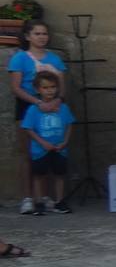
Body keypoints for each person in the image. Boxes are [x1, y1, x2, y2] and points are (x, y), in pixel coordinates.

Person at [9, 18, 67, 216]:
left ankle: (48, 197)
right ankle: (28, 197)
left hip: (53, 107)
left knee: (51, 152)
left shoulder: (54, 60)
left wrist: (57, 100)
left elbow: (61, 84)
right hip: (29, 105)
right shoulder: (20, 58)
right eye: (37, 33)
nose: (42, 37)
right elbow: (16, 87)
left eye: (44, 33)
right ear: (27, 36)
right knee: (28, 153)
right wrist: (38, 103)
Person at [20, 73, 75, 215]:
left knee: (59, 175)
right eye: (45, 88)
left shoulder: (63, 108)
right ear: (38, 89)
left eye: (53, 87)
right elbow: (28, 128)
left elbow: (69, 124)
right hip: (40, 149)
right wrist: (42, 142)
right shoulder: (33, 109)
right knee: (39, 175)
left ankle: (59, 201)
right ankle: (39, 202)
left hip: (59, 148)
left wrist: (65, 141)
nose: (50, 91)